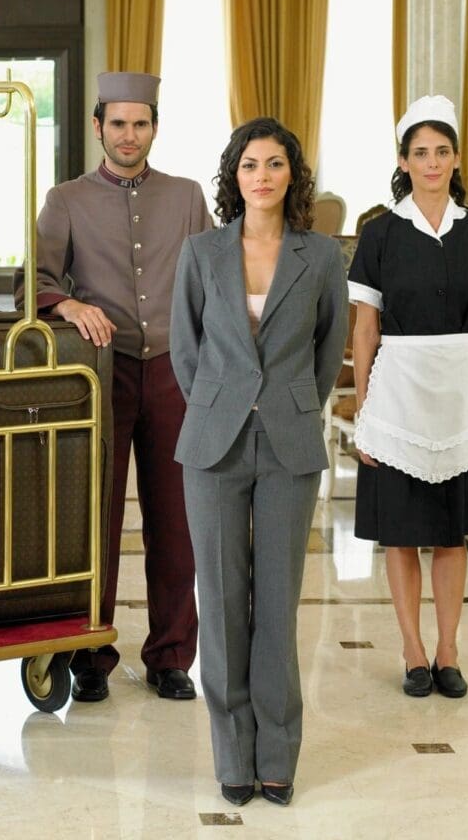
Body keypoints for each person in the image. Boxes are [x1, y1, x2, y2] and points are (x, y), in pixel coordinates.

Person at [16, 70, 213, 704]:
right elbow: (33, 280)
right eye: (119, 123)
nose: (130, 135)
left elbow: (213, 282)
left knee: (176, 519)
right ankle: (90, 650)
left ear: (154, 127)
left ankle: (172, 655)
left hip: (176, 372)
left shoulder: (186, 198)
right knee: (93, 518)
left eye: (142, 123)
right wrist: (67, 305)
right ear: (98, 126)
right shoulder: (66, 199)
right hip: (99, 374)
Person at [170, 117, 348, 808]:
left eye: (275, 164)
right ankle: (231, 759)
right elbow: (184, 350)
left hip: (288, 442)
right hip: (212, 442)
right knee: (217, 602)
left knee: (275, 604)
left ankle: (277, 757)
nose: (262, 176)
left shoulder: (322, 255)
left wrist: (286, 402)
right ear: (233, 176)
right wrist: (222, 402)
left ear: (291, 176)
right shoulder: (199, 253)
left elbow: (328, 348)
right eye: (250, 165)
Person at [348, 94, 468, 700]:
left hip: (462, 392)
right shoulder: (380, 234)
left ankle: (448, 649)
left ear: (457, 158)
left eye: (442, 152)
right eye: (421, 153)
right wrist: (365, 410)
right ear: (404, 160)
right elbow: (365, 327)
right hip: (398, 391)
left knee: (450, 530)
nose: (432, 162)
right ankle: (412, 649)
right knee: (402, 529)